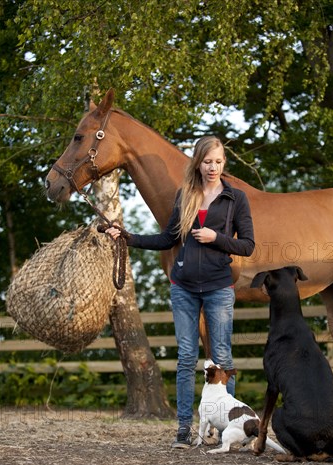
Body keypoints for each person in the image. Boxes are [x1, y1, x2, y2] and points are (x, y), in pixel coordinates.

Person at [106, 136, 255, 448]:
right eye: (207, 161)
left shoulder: (235, 199)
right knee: (187, 357)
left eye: (218, 161)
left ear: (223, 163)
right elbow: (166, 239)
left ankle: (226, 427)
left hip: (218, 287)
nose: (212, 167)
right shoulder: (185, 195)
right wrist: (127, 236)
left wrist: (217, 237)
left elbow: (247, 245)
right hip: (183, 288)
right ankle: (185, 431)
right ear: (198, 163)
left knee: (223, 357)